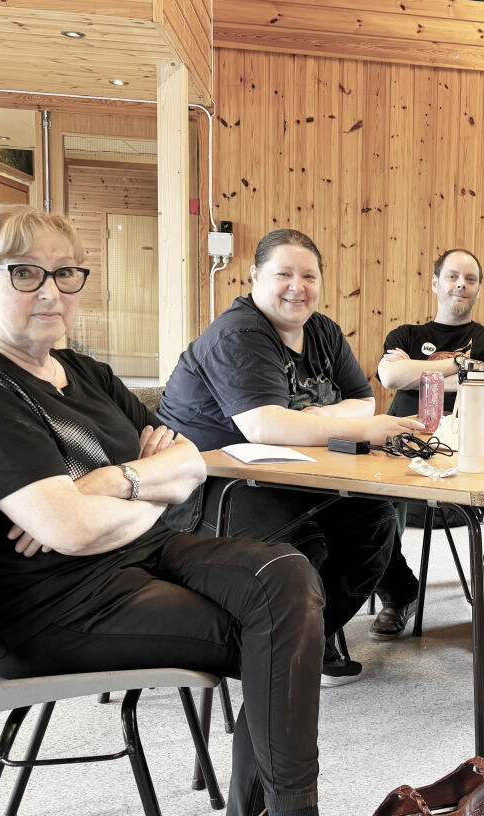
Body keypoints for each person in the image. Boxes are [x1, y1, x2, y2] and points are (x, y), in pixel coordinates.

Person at [0, 205, 324, 816]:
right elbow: (73, 531)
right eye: (25, 273)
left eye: (65, 273)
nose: (51, 291)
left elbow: (190, 462)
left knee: (286, 573)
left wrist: (109, 483)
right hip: (48, 604)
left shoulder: (81, 371)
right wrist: (147, 487)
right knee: (277, 631)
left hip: (135, 556)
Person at [158, 228, 421, 686]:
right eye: (283, 273)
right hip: (203, 485)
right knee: (304, 540)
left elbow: (362, 399)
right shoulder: (239, 333)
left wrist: (320, 418)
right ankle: (274, 649)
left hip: (285, 473)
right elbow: (265, 426)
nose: (297, 286)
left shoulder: (323, 331)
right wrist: (353, 427)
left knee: (374, 518)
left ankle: (307, 636)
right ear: (255, 276)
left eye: (309, 275)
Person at [372, 248, 484, 648]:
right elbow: (391, 375)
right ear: (435, 283)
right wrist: (464, 368)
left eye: (470, 278)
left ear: (479, 289)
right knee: (362, 501)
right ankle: (398, 593)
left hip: (483, 449)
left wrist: (421, 374)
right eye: (451, 276)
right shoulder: (406, 335)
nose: (460, 284)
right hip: (410, 446)